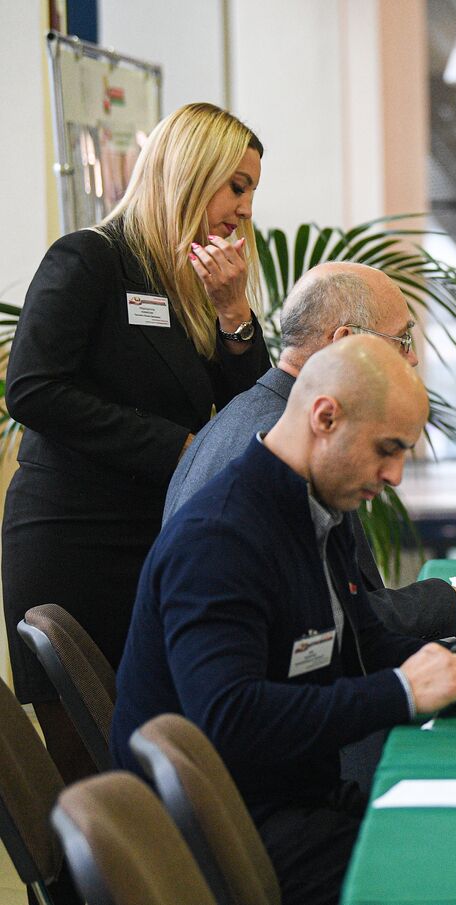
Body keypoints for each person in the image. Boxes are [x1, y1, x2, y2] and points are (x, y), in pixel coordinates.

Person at [110, 336, 456, 905]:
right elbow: (228, 719)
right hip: (226, 838)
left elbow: (361, 641)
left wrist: (454, 664)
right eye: (387, 449)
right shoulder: (220, 539)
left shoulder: (314, 506)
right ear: (325, 417)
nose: (395, 476)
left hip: (289, 803)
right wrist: (402, 692)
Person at [3, 102, 270, 780]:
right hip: (72, 546)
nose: (244, 208)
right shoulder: (90, 259)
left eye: (251, 192)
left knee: (160, 760)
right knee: (92, 770)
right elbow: (32, 389)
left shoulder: (185, 285)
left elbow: (254, 414)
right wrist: (176, 447)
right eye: (236, 185)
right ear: (190, 170)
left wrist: (236, 314)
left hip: (154, 544)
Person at [164, 261, 456, 641]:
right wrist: (441, 606)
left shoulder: (246, 416)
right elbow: (325, 628)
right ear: (346, 342)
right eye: (403, 340)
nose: (413, 358)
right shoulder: (282, 452)